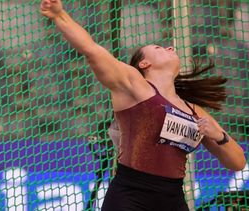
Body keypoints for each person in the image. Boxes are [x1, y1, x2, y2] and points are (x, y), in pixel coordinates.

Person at [40, 0, 246, 210]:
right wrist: (59, 15)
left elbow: (237, 163)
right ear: (144, 64)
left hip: (172, 198)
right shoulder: (134, 86)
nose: (170, 46)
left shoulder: (194, 111)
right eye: (158, 47)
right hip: (131, 195)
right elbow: (91, 49)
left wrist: (219, 136)